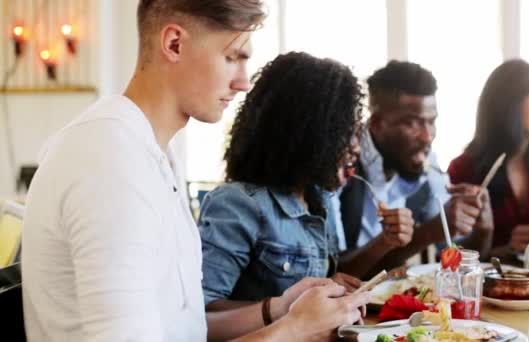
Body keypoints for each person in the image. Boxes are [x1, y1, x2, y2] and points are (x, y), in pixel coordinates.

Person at [21, 1, 369, 341]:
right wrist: (293, 331)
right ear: (174, 43)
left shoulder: (150, 152)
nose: (243, 83)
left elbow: (187, 326)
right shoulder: (109, 158)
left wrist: (280, 309)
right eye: (232, 58)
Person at [200, 51, 367, 313]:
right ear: (307, 133)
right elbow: (203, 310)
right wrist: (288, 307)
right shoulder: (239, 204)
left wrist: (329, 288)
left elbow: (311, 284)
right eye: (344, 130)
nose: (355, 145)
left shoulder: (317, 198)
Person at [336, 61, 494, 278]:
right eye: (413, 123)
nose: (427, 136)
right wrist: (428, 231)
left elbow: (459, 261)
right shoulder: (341, 166)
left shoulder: (427, 164)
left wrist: (484, 229)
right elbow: (332, 273)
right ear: (377, 123)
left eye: (431, 121)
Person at [448, 59, 529, 261]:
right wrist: (505, 250)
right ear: (510, 102)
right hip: (488, 288)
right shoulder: (463, 168)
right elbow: (451, 254)